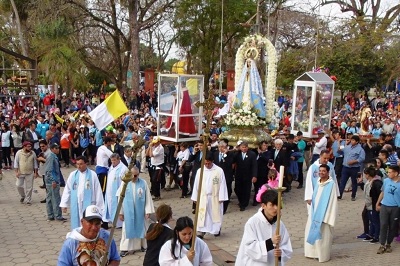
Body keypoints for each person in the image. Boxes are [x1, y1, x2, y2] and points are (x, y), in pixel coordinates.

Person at [236, 190, 292, 266]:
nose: (275, 208)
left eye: (277, 204)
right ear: (263, 206)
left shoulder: (279, 224)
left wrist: (281, 254)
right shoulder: (253, 222)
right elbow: (249, 248)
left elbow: (286, 245)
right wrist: (270, 242)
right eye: (272, 205)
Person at [118, 166, 155, 257]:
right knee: (127, 229)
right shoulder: (124, 183)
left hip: (140, 211)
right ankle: (125, 248)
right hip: (128, 211)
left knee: (142, 228)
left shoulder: (143, 183)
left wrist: (148, 211)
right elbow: (120, 198)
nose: (135, 177)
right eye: (134, 175)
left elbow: (147, 197)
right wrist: (120, 212)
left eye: (137, 175)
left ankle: (143, 245)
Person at [304, 164, 338, 263]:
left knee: (323, 236)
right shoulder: (318, 183)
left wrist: (327, 216)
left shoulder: (331, 185)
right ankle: (312, 253)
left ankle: (322, 255)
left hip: (324, 214)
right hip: (315, 213)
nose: (321, 173)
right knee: (311, 231)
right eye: (320, 171)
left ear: (328, 172)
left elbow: (333, 201)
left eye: (323, 171)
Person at [60, 155, 105, 229]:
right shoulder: (73, 175)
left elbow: (98, 191)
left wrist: (100, 207)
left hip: (89, 202)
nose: (79, 166)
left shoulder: (92, 175)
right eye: (77, 164)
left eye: (81, 164)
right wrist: (64, 204)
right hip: (77, 203)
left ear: (86, 164)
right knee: (77, 221)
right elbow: (67, 189)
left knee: (87, 221)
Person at [191, 152, 228, 238]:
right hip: (203, 196)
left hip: (214, 196)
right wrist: (195, 197)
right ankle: (201, 231)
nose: (207, 165)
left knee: (214, 214)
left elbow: (222, 184)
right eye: (205, 163)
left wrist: (222, 196)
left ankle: (216, 229)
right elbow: (196, 184)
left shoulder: (218, 171)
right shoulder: (200, 171)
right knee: (202, 215)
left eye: (208, 163)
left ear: (212, 161)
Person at [375, 165, 400, 254]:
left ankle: (388, 244)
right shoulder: (386, 181)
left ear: (396, 173)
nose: (388, 174)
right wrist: (378, 203)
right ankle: (382, 244)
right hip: (385, 206)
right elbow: (383, 192)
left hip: (395, 208)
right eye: (388, 172)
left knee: (393, 226)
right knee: (383, 225)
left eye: (390, 172)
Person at [103, 153, 128, 229]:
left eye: (114, 160)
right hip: (109, 191)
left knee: (118, 207)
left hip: (118, 191)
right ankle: (111, 220)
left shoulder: (123, 168)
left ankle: (119, 223)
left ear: (118, 159)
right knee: (110, 206)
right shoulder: (111, 167)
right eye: (112, 160)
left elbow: (124, 181)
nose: (113, 162)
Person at [338, 135, 365, 201]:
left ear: (357, 142)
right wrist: (339, 144)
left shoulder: (360, 149)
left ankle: (353, 195)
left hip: (354, 168)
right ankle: (339, 195)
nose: (352, 141)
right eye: (351, 140)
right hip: (345, 167)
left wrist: (354, 161)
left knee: (354, 182)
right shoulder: (347, 147)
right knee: (343, 181)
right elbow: (340, 151)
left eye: (353, 140)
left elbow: (362, 158)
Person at [44, 143, 66, 221]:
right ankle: (58, 215)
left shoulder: (53, 156)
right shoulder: (51, 157)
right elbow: (48, 170)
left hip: (50, 180)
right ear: (53, 149)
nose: (58, 150)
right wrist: (53, 180)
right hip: (53, 181)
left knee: (49, 198)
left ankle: (50, 215)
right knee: (56, 199)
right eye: (56, 148)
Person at [234, 141, 257, 211]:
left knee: (246, 190)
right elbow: (232, 159)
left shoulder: (252, 154)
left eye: (245, 147)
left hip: (248, 175)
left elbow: (254, 165)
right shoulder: (237, 154)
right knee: (237, 189)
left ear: (248, 147)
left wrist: (254, 175)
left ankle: (243, 204)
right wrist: (235, 150)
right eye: (242, 147)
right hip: (238, 175)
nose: (244, 149)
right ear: (240, 147)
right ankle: (241, 201)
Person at [14, 141, 39, 205]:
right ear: (24, 147)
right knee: (18, 185)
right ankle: (23, 196)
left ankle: (28, 199)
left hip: (30, 172)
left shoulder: (32, 153)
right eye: (28, 146)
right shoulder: (19, 153)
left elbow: (35, 163)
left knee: (29, 187)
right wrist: (16, 172)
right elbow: (16, 163)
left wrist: (36, 172)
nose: (30, 148)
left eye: (30, 146)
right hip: (21, 172)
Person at [146, 136, 165, 201]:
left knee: (156, 180)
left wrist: (151, 147)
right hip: (153, 165)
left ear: (159, 142)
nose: (155, 144)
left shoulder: (160, 148)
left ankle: (157, 195)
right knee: (152, 180)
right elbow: (147, 154)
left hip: (158, 166)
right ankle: (154, 192)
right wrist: (149, 146)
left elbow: (151, 155)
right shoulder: (154, 146)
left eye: (156, 143)